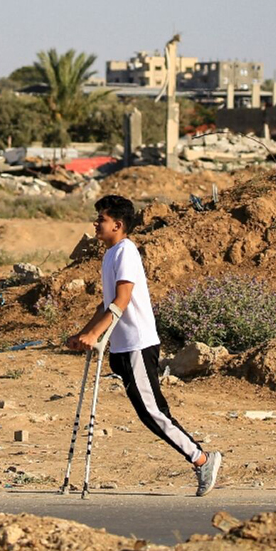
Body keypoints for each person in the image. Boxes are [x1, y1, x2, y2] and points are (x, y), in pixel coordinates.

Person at [66, 195, 222, 496]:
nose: (96, 223)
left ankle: (202, 459)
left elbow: (122, 301)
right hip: (123, 347)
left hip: (138, 344)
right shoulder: (110, 254)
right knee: (148, 412)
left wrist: (96, 335)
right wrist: (83, 334)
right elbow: (106, 303)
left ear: (118, 224)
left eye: (101, 219)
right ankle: (200, 458)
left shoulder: (126, 251)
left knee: (153, 412)